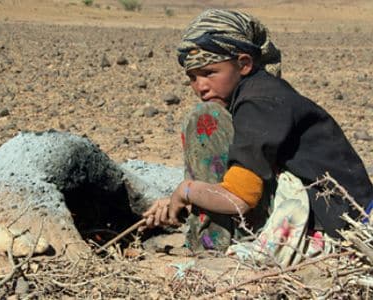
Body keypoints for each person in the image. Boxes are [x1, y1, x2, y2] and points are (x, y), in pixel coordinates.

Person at [142, 9, 373, 266]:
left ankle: (211, 247)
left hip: (333, 227)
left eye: (209, 73)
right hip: (338, 216)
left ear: (244, 64)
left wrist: (186, 191)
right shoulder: (258, 93)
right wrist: (178, 199)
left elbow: (240, 197)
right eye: (192, 78)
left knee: (204, 118)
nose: (200, 87)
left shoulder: (258, 102)